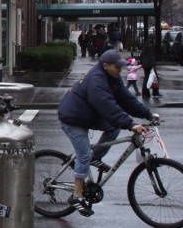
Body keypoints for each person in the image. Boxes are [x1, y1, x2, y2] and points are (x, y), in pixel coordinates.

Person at [58, 49, 155, 216]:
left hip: (87, 115)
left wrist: (148, 114)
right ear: (105, 66)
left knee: (113, 127)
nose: (120, 71)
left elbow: (127, 99)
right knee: (83, 156)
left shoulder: (112, 77)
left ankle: (95, 157)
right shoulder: (97, 80)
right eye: (117, 68)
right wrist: (131, 124)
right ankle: (76, 196)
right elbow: (107, 106)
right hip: (72, 118)